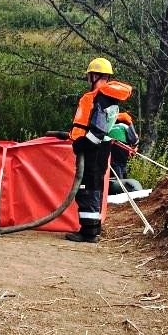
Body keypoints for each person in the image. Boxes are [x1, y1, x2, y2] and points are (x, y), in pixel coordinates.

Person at [66, 57, 131, 243]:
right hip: (99, 150)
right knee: (91, 188)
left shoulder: (100, 99)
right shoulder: (108, 98)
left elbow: (98, 130)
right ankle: (92, 229)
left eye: (89, 75)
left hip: (93, 150)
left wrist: (81, 144)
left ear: (94, 75)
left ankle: (89, 233)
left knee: (88, 189)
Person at [109, 111, 139, 182]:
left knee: (113, 165)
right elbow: (133, 139)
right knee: (121, 165)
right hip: (121, 147)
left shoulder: (110, 126)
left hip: (109, 146)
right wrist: (134, 146)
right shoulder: (124, 126)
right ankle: (121, 183)